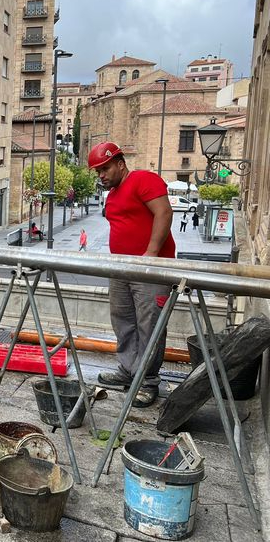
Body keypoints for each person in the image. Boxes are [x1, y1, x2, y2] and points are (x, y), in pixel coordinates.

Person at [89, 142, 175, 407]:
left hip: (150, 268)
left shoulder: (142, 180)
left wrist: (151, 253)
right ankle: (128, 371)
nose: (101, 175)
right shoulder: (113, 195)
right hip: (121, 268)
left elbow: (164, 212)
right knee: (123, 321)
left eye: (105, 169)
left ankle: (147, 381)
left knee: (150, 325)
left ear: (120, 164)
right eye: (98, 171)